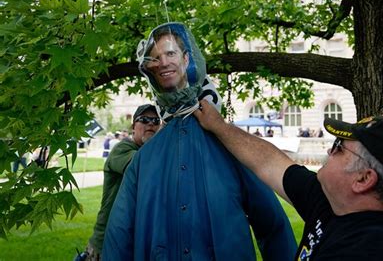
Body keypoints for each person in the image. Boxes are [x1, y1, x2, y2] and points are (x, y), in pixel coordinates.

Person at [102, 22, 296, 260]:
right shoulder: (143, 159)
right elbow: (118, 236)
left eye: (170, 53)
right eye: (156, 58)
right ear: (151, 71)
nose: (163, 62)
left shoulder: (231, 145)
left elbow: (272, 224)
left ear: (186, 59)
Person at [194, 102, 383, 260]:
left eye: (339, 147)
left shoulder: (378, 250)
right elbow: (268, 162)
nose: (329, 152)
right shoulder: (335, 204)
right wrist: (218, 125)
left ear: (363, 179)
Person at [83, 104, 160, 261]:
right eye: (144, 119)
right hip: (107, 242)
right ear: (133, 127)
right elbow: (142, 166)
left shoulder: (156, 154)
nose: (151, 123)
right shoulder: (122, 149)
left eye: (156, 120)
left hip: (135, 241)